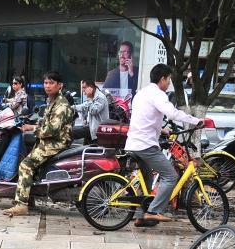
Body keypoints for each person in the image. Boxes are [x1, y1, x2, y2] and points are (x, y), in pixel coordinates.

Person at [123, 64, 203, 224]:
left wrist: (162, 130)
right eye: (169, 80)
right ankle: (154, 211)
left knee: (146, 179)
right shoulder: (158, 94)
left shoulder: (142, 93)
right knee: (170, 176)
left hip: (133, 142)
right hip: (146, 145)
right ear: (162, 79)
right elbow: (172, 113)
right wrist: (196, 121)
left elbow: (145, 117)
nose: (169, 83)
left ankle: (141, 216)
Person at [4, 71, 75, 217]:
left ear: (59, 85)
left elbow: (52, 130)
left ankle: (21, 205)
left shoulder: (61, 105)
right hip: (49, 140)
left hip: (56, 142)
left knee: (26, 165)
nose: (47, 86)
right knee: (28, 160)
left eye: (51, 83)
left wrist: (32, 129)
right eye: (45, 83)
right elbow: (47, 122)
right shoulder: (52, 100)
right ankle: (29, 199)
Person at [76, 79, 109, 143]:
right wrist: (70, 107)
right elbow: (84, 106)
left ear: (91, 87)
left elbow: (94, 111)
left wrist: (89, 97)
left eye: (84, 87)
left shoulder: (100, 97)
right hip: (91, 128)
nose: (83, 90)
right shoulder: (93, 96)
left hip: (98, 132)